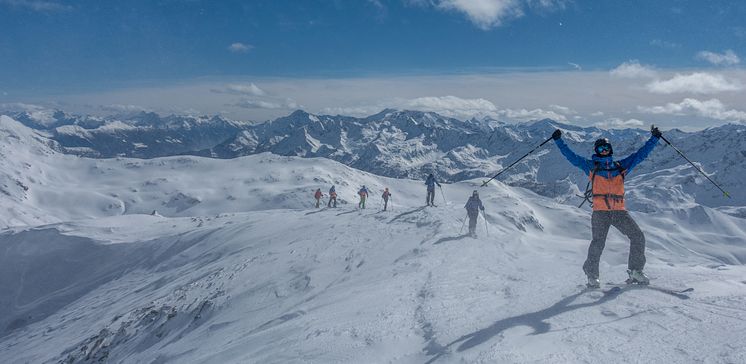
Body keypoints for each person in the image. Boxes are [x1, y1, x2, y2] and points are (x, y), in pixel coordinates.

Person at [552, 126, 662, 288]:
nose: (604, 151)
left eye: (606, 148)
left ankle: (635, 271)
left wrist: (655, 139)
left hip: (619, 212)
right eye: (600, 148)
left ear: (610, 150)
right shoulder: (591, 166)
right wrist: (558, 141)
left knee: (638, 237)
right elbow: (572, 157)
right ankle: (592, 274)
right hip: (600, 212)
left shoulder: (620, 166)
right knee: (598, 243)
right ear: (596, 151)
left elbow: (640, 155)